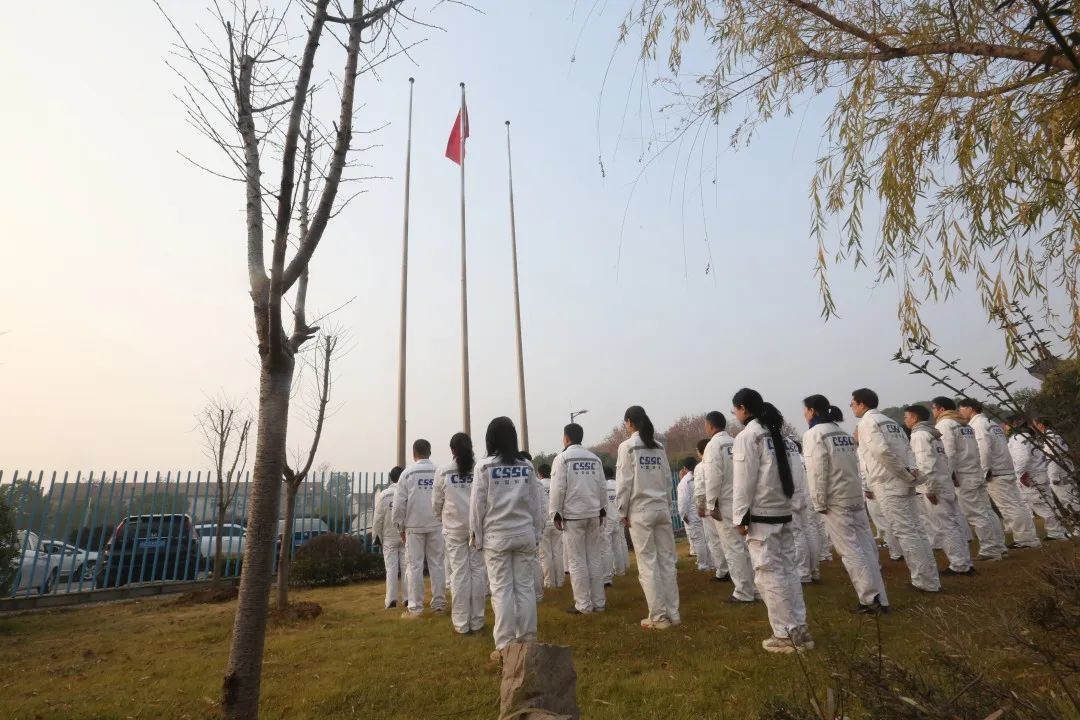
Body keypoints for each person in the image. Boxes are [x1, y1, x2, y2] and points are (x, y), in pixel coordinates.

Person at [732, 389, 813, 652]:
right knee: (788, 572)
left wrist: (739, 516)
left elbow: (744, 481)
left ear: (743, 408)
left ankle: (784, 634)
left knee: (768, 575)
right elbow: (796, 476)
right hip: (784, 512)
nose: (734, 414)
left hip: (763, 517)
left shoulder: (749, 436)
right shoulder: (782, 437)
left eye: (735, 409)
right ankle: (799, 628)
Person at [801, 395, 889, 613]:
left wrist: (819, 502)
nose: (804, 414)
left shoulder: (814, 434)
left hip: (835, 500)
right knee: (866, 547)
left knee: (850, 550)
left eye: (805, 410)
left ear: (812, 411)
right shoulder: (842, 433)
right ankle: (881, 598)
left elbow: (817, 472)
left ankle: (869, 599)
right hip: (853, 496)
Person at [469, 417, 545, 662]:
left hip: (496, 537)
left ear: (490, 439)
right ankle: (528, 640)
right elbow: (535, 505)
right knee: (525, 587)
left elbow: (477, 507)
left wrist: (476, 536)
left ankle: (505, 646)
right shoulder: (527, 466)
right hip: (524, 534)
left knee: (501, 590)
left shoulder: (484, 467)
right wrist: (536, 533)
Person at [852, 389, 941, 593]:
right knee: (917, 530)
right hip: (903, 480)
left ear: (862, 404)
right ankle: (930, 578)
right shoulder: (889, 421)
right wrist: (911, 472)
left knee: (906, 532)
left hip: (888, 482)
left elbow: (882, 452)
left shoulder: (867, 422)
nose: (851, 407)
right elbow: (907, 449)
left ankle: (923, 581)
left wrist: (904, 474)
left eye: (853, 404)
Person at [616, 405, 681, 630]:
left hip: (640, 511)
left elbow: (624, 483)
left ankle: (659, 617)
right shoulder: (658, 447)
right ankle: (673, 613)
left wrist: (622, 511)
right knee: (667, 562)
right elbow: (667, 479)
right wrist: (667, 504)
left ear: (629, 422)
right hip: (661, 508)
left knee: (648, 565)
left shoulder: (628, 447)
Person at [932, 397, 1008, 561]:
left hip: (963, 475)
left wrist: (949, 475)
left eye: (934, 408)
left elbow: (948, 452)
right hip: (974, 471)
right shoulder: (964, 424)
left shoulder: (945, 424)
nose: (933, 412)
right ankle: (999, 546)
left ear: (941, 409)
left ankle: (990, 550)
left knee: (976, 514)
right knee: (986, 511)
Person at [904, 404, 975, 576]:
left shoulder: (919, 435)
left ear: (914, 417)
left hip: (935, 486)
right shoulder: (932, 434)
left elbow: (925, 463)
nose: (904, 420)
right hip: (944, 482)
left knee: (945, 527)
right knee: (953, 524)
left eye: (906, 417)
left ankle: (959, 565)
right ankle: (965, 562)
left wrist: (929, 488)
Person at [960, 399, 1041, 549]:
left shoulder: (978, 425)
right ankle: (1028, 537)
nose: (960, 412)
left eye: (962, 409)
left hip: (995, 472)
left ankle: (1026, 540)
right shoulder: (991, 423)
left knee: (1010, 507)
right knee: (1017, 505)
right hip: (1004, 468)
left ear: (970, 409)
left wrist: (984, 471)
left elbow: (983, 449)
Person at [698, 413, 758, 602]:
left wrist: (711, 505)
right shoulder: (736, 441)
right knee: (747, 546)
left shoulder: (713, 446)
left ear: (710, 425)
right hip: (743, 499)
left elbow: (713, 477)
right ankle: (755, 587)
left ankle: (743, 592)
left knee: (733, 548)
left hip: (725, 502)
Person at [549, 422, 608, 614]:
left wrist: (555, 512)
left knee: (576, 560)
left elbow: (558, 488)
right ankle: (599, 602)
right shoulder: (595, 459)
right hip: (593, 513)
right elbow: (602, 486)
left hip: (573, 516)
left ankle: (583, 604)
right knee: (594, 557)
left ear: (566, 438)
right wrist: (602, 510)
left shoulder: (563, 459)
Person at [432, 433, 486, 635]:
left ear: (452, 450)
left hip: (453, 529)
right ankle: (477, 621)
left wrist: (443, 519)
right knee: (478, 572)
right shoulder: (479, 469)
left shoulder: (443, 472)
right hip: (476, 528)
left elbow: (436, 503)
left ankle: (462, 624)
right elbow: (485, 499)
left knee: (459, 574)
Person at [393, 439, 446, 618]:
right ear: (429, 452)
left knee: (414, 566)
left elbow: (399, 505)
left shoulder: (407, 474)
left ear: (413, 453)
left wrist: (400, 527)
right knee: (437, 564)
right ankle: (439, 605)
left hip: (413, 526)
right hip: (436, 524)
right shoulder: (439, 471)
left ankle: (415, 608)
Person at [1007, 417, 1069, 541]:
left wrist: (1020, 474)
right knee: (1047, 504)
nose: (1005, 428)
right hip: (1038, 473)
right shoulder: (1030, 437)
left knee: (1042, 505)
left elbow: (1023, 458)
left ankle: (1056, 533)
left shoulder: (1019, 438)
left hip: (1031, 475)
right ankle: (1058, 531)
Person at [784, 434, 821, 585]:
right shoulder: (791, 443)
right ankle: (814, 570)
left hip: (791, 492)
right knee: (808, 530)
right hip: (803, 492)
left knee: (797, 533)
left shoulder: (775, 442)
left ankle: (804, 573)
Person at [694, 436, 730, 582]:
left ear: (700, 451)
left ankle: (722, 571)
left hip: (710, 509)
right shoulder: (722, 460)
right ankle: (732, 568)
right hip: (726, 505)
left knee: (715, 541)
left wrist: (700, 507)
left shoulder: (701, 466)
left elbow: (700, 489)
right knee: (729, 540)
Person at [372, 465, 405, 609]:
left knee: (391, 569)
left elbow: (377, 519)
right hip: (405, 535)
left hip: (388, 537)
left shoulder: (384, 495)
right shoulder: (407, 492)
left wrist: (376, 537)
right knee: (407, 568)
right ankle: (408, 599)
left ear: (391, 478)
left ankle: (391, 600)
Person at [1032, 419, 1080, 515]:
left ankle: (1077, 518)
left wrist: (1053, 476)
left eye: (1035, 425)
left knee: (1067, 498)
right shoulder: (1054, 435)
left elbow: (1053, 458)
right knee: (1073, 494)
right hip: (1065, 470)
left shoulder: (1050, 438)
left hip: (1059, 474)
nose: (1033, 428)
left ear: (1041, 425)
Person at [677, 458, 712, 571]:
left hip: (692, 514)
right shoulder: (701, 475)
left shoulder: (684, 482)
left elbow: (683, 500)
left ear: (685, 468)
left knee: (698, 540)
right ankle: (712, 563)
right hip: (705, 511)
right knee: (708, 539)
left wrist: (683, 515)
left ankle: (703, 564)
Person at [536, 463, 565, 591]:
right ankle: (560, 580)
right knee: (558, 552)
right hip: (556, 520)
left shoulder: (538, 485)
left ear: (539, 474)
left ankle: (549, 582)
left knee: (545, 554)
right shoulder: (555, 484)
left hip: (543, 522)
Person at [600, 465, 628, 585]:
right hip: (618, 518)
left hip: (607, 520)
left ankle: (607, 576)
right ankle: (621, 570)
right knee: (618, 546)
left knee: (606, 548)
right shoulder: (618, 485)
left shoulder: (603, 486)